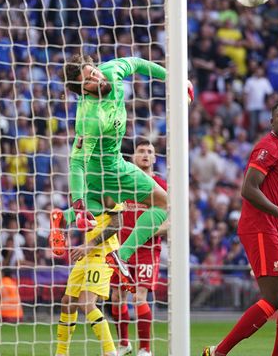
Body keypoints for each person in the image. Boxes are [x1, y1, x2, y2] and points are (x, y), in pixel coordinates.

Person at [50, 55, 191, 270]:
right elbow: (77, 162)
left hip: (100, 170)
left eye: (93, 72)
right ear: (84, 91)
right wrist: (77, 200)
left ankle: (62, 218)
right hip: (110, 167)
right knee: (166, 203)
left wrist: (173, 78)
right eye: (88, 81)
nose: (96, 78)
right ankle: (122, 256)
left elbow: (137, 63)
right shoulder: (92, 117)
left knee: (97, 207)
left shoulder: (111, 70)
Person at [202, 101, 278, 356]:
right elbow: (248, 189)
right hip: (260, 227)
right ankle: (218, 352)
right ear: (271, 122)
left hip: (276, 228)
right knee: (274, 298)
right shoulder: (268, 147)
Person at [110, 139, 168, 356]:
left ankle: (145, 349)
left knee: (139, 297)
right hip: (121, 249)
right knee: (117, 297)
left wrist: (147, 232)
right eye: (141, 151)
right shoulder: (122, 183)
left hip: (146, 250)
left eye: (149, 152)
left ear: (154, 158)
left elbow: (172, 221)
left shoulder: (161, 186)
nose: (145, 154)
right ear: (133, 157)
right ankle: (124, 344)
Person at [54, 203, 124, 356]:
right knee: (68, 302)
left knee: (86, 302)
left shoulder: (109, 189)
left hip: (104, 255)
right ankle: (61, 353)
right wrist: (58, 227)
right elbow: (66, 216)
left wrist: (89, 245)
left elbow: (117, 223)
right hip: (86, 255)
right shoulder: (87, 196)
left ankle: (110, 351)